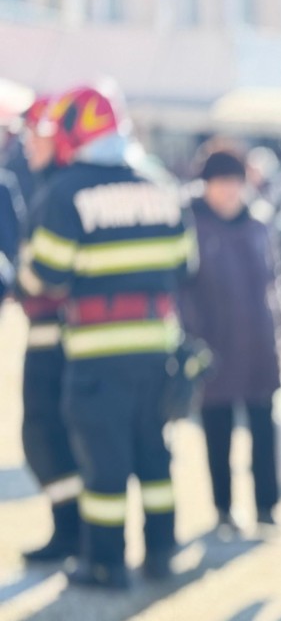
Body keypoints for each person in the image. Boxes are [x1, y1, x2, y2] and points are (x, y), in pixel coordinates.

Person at [25, 83, 193, 589]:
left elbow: (46, 275)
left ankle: (105, 564)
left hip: (96, 352)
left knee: (104, 462)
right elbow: (186, 264)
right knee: (154, 454)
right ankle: (162, 552)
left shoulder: (65, 191)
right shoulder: (161, 184)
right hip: (157, 348)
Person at [182, 148, 281, 535]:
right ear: (205, 185)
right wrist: (190, 337)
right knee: (217, 428)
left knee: (263, 426)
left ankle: (267, 506)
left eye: (234, 182)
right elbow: (182, 289)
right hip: (212, 344)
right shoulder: (191, 225)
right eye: (220, 182)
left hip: (259, 342)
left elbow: (277, 280)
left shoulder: (259, 223)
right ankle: (223, 509)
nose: (228, 190)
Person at [13, 95, 84, 562]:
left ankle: (70, 532)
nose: (27, 144)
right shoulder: (51, 185)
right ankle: (71, 530)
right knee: (49, 434)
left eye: (35, 134)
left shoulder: (58, 192)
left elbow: (46, 275)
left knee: (45, 434)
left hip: (56, 336)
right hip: (57, 334)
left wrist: (21, 278)